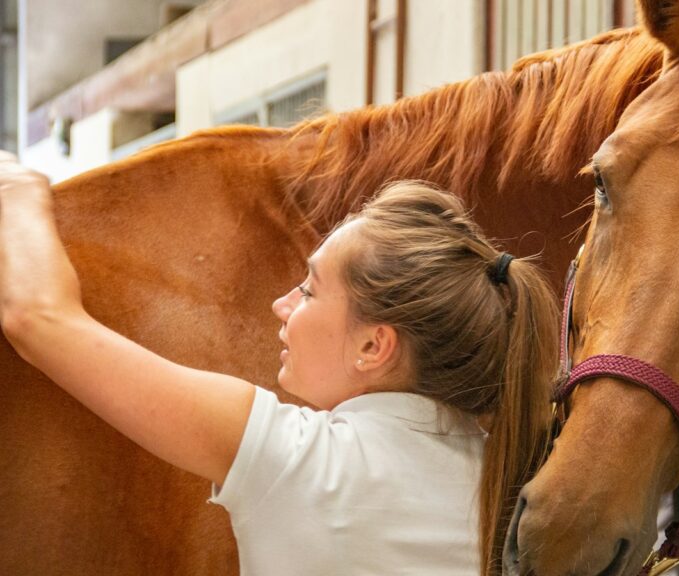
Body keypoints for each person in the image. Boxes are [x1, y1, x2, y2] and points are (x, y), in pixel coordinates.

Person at [0, 152, 559, 576]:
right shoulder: (518, 482)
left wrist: (15, 186)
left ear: (373, 347)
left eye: (309, 291)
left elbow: (39, 319)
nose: (281, 305)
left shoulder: (293, 457)